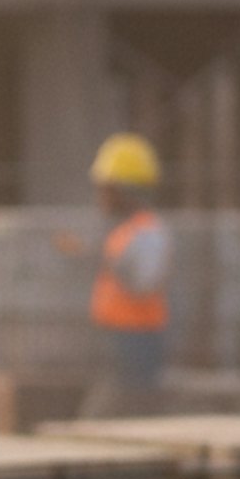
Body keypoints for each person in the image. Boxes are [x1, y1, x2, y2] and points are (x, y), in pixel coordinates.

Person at [75, 132, 172, 415]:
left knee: (112, 421)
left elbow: (144, 284)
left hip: (137, 345)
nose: (100, 195)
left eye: (105, 188)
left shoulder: (148, 232)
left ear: (123, 189)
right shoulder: (126, 231)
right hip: (119, 341)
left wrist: (105, 259)